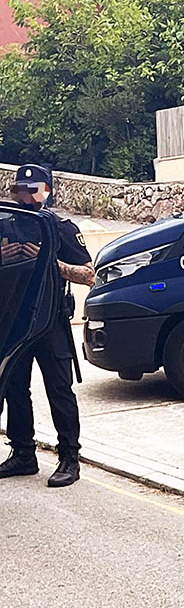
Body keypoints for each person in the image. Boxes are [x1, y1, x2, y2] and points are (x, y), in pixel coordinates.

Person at [0, 164, 94, 488]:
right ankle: (23, 453)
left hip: (50, 321)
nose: (26, 196)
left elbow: (89, 275)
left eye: (33, 190)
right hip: (16, 322)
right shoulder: (7, 224)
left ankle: (69, 457)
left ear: (47, 191)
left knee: (59, 389)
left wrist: (50, 262)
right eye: (21, 190)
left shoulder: (59, 227)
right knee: (15, 389)